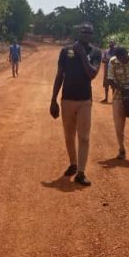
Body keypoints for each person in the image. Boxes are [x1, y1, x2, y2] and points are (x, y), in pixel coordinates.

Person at [50, 23, 102, 186]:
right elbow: (60, 76)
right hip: (67, 100)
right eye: (83, 32)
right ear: (78, 33)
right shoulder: (65, 51)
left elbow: (92, 74)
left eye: (88, 32)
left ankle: (81, 172)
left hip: (85, 100)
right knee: (69, 135)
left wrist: (82, 55)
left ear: (92, 35)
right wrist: (53, 100)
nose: (85, 34)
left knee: (84, 137)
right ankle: (73, 163)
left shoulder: (95, 52)